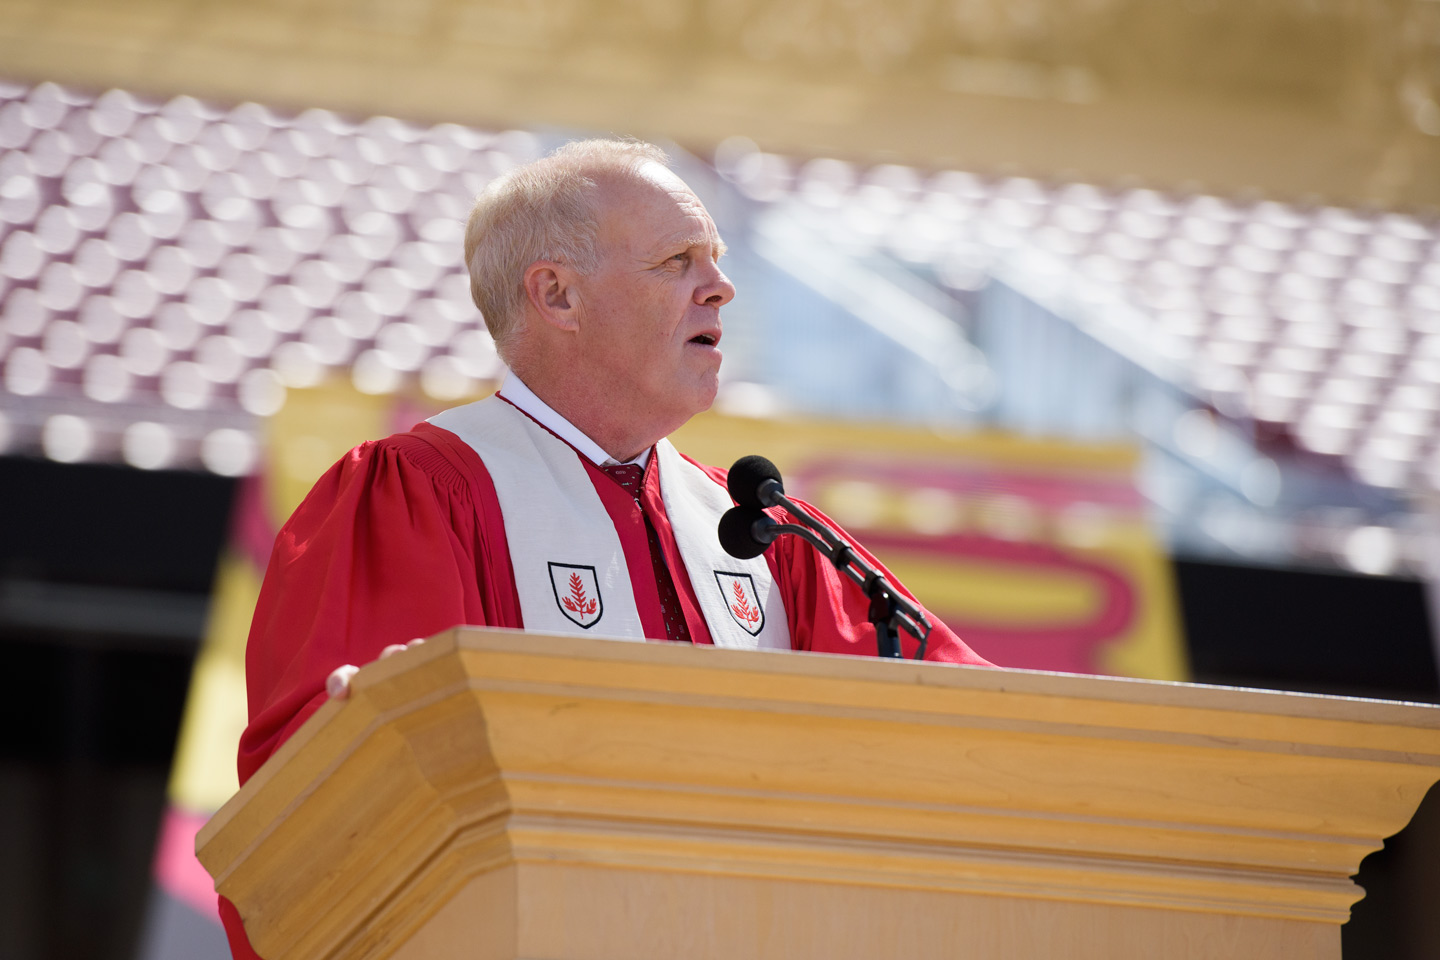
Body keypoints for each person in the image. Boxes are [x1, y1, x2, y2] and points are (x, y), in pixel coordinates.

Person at [223, 139, 993, 958]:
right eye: (676, 260)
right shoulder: (418, 495)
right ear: (557, 294)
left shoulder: (765, 533)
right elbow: (327, 809)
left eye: (718, 259)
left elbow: (979, 732)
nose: (720, 286)